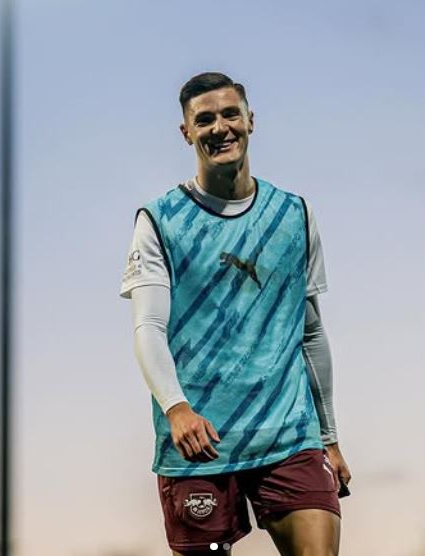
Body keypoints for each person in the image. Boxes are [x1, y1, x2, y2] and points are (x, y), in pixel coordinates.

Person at [120, 72, 351, 556]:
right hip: (199, 442)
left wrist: (328, 437)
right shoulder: (160, 221)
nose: (220, 128)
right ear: (186, 132)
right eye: (204, 120)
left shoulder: (294, 214)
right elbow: (149, 327)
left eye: (230, 114)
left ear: (250, 120)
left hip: (289, 436)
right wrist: (177, 409)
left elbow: (310, 334)